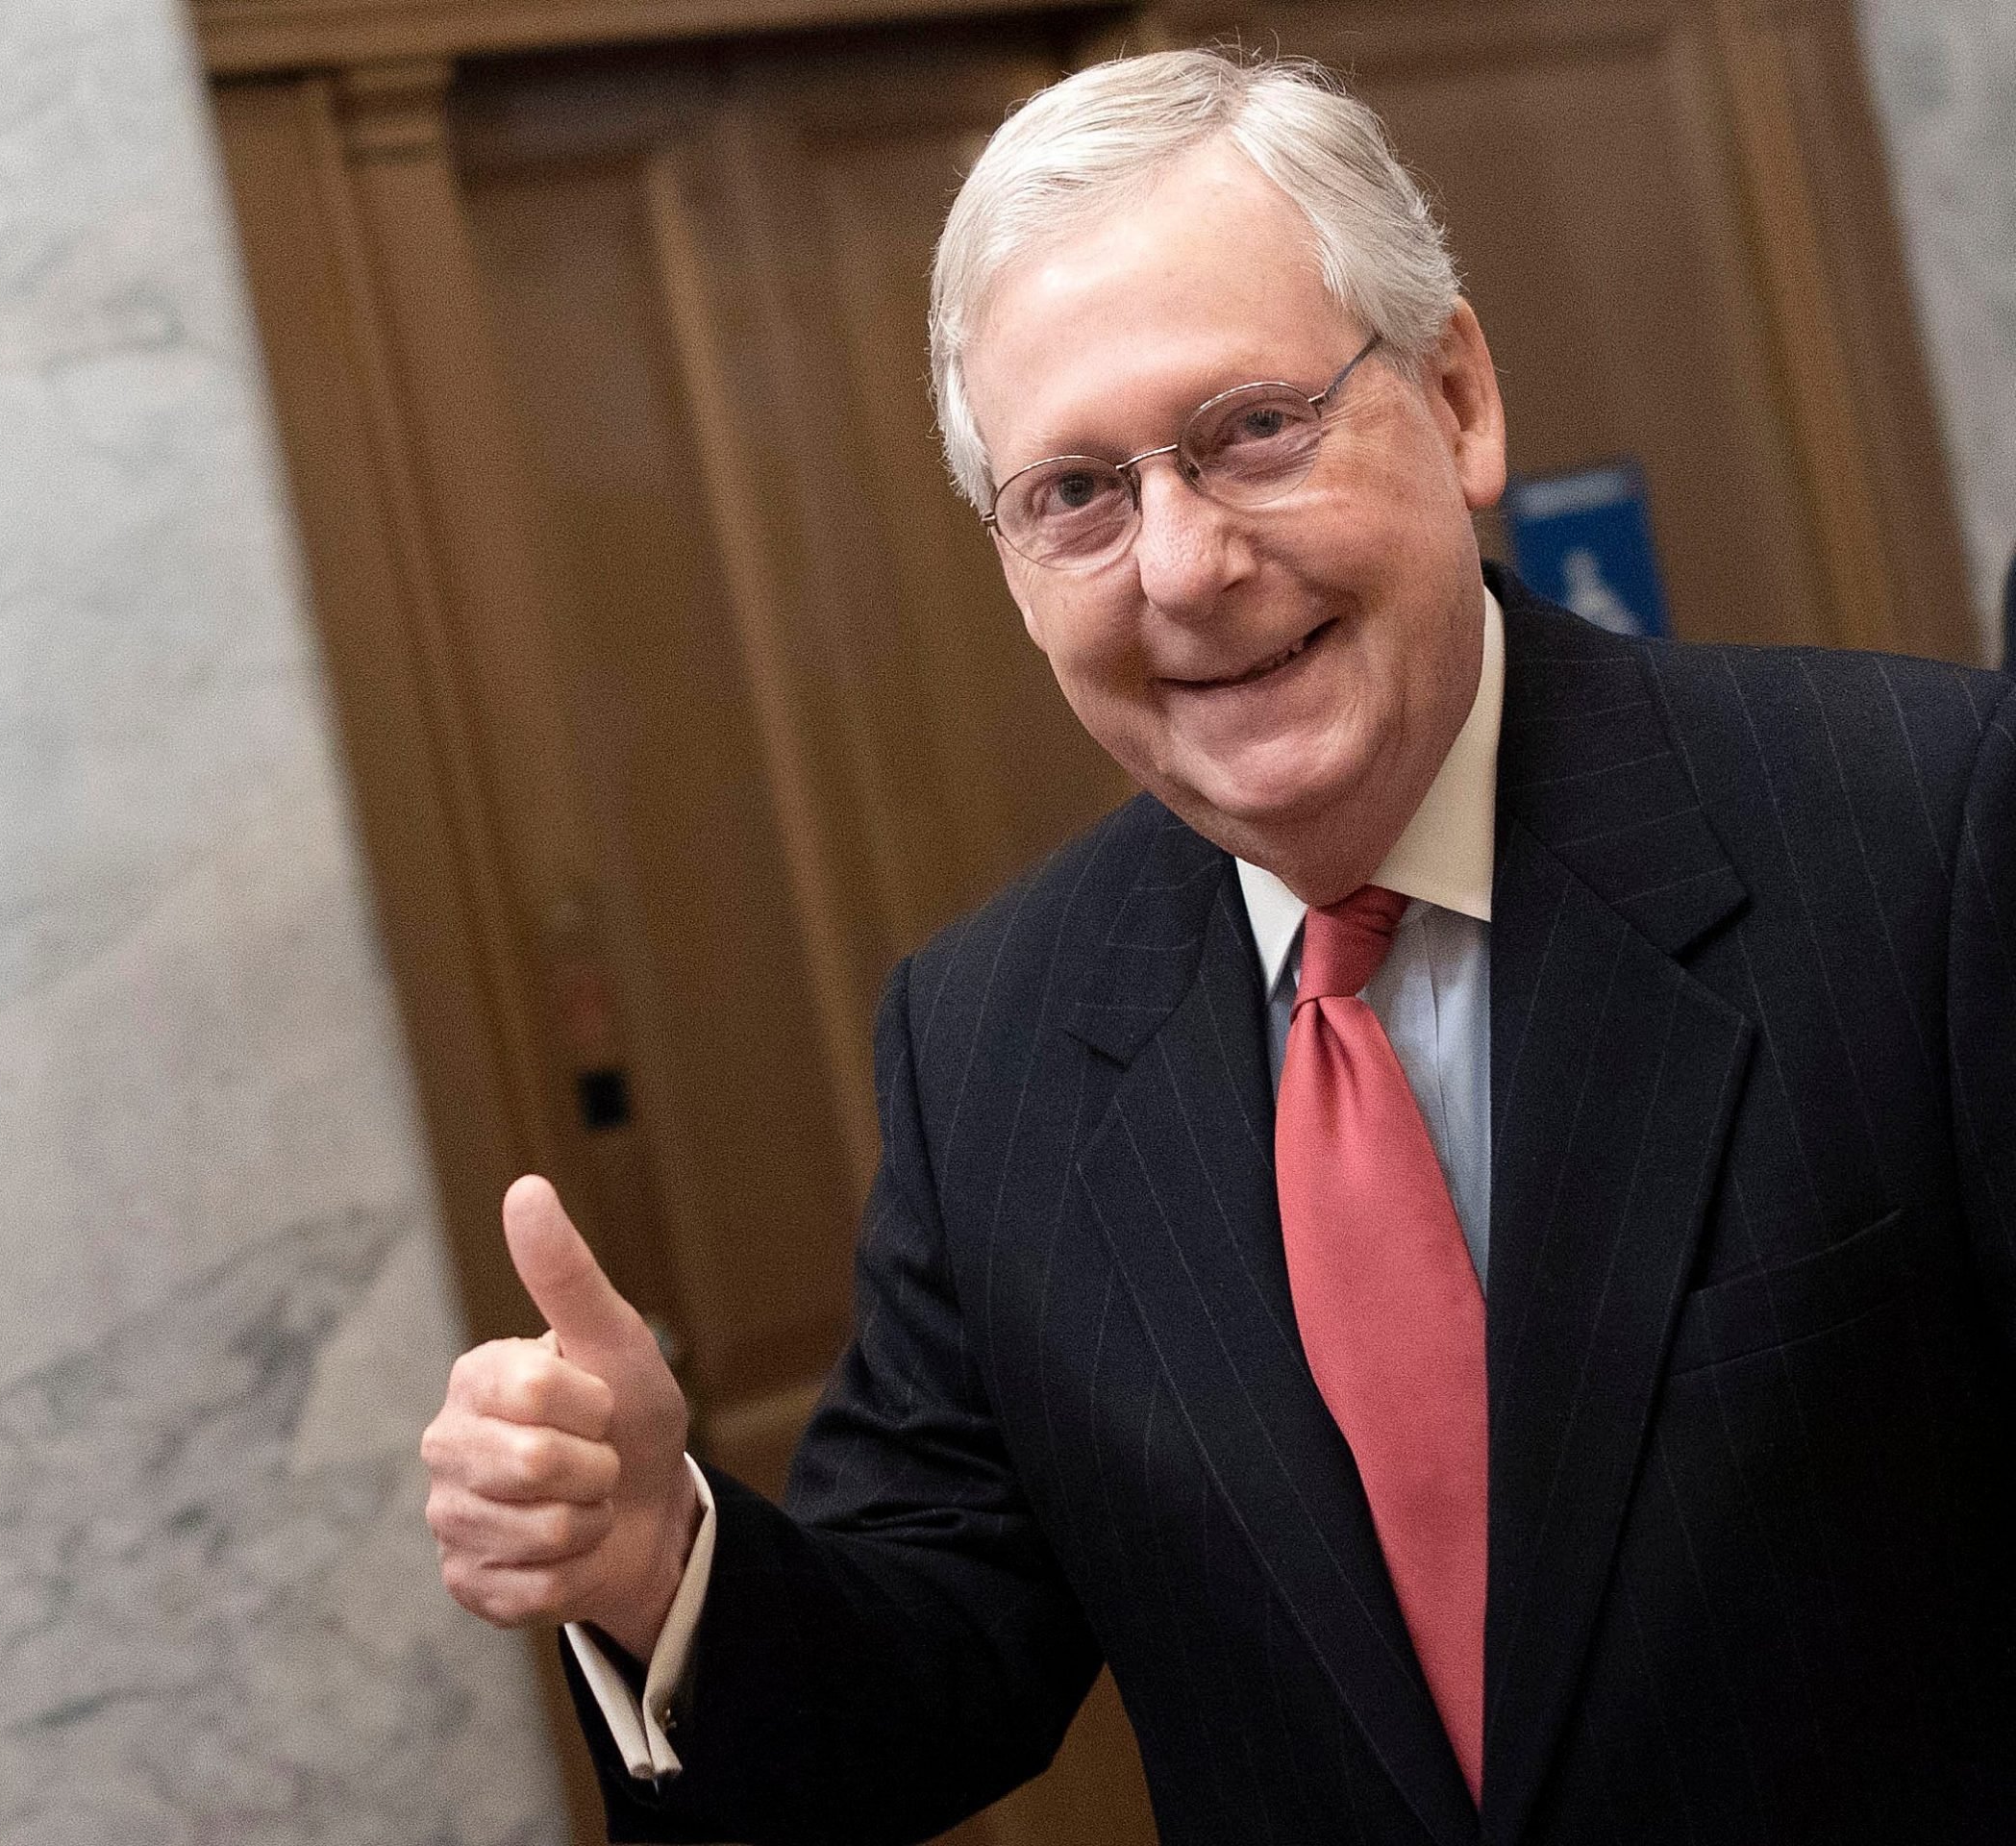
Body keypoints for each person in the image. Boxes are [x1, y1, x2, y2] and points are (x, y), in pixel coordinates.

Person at [420, 49, 2016, 1846]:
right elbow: (924, 1676)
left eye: (1254, 427)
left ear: (1460, 396)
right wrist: (662, 1566)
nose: (1181, 565)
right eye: (1077, 494)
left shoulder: (1927, 830)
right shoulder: (990, 1039)